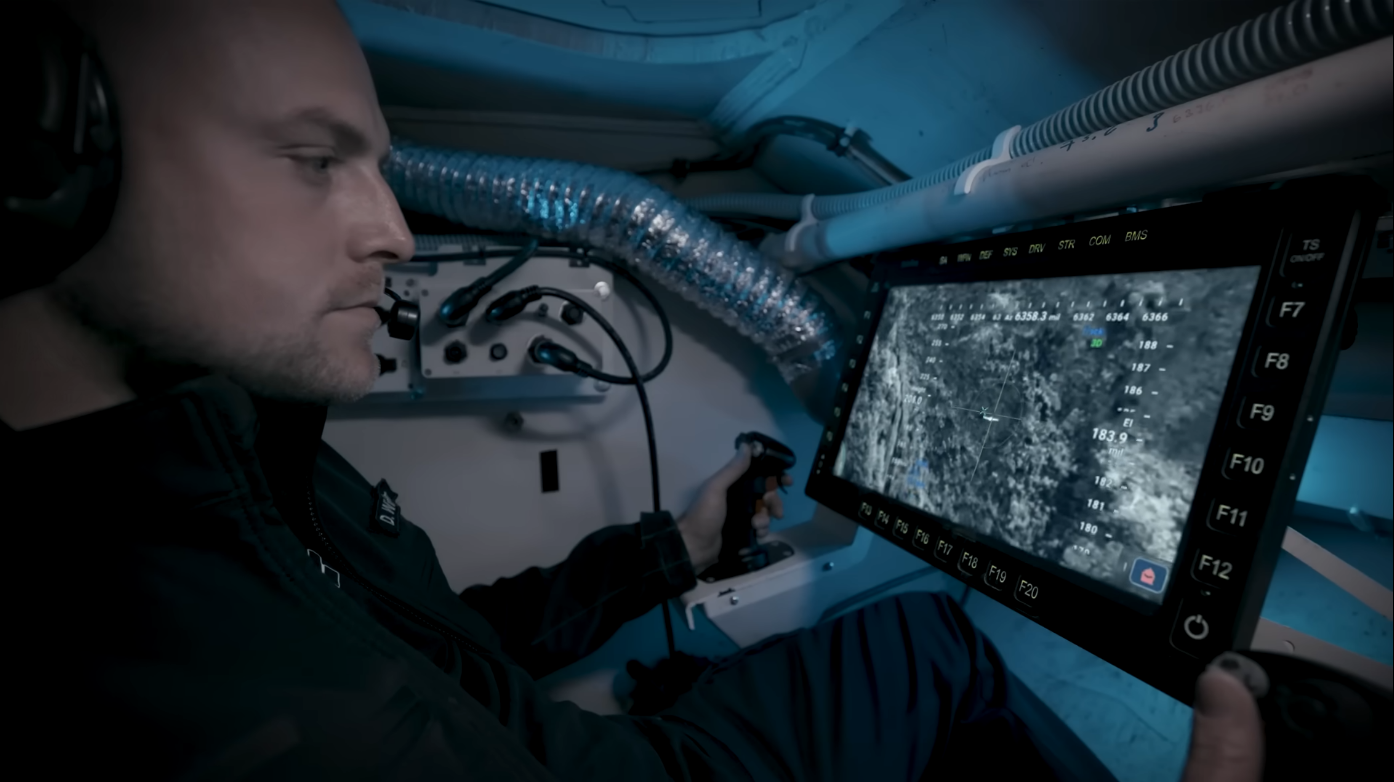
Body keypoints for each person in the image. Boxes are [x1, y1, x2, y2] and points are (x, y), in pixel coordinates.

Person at [0, 1, 1264, 779]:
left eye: (377, 164)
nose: (393, 231)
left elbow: (451, 642)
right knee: (925, 644)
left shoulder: (238, 468)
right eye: (313, 157)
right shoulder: (208, 696)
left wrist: (675, 548)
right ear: (45, 156)